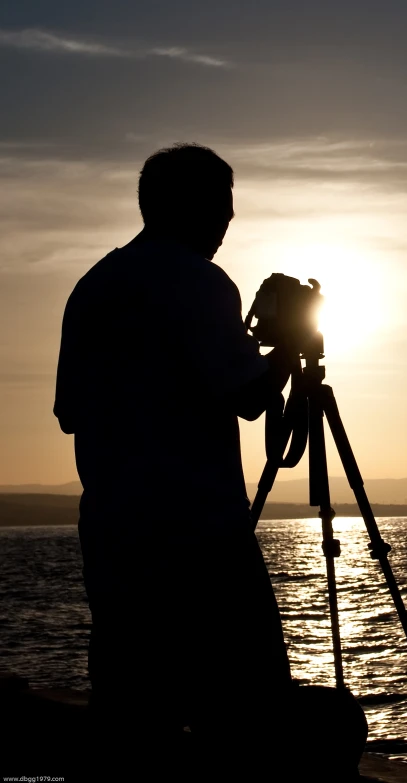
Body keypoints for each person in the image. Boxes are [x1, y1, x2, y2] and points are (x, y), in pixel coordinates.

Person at [53, 143, 301, 776]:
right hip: (199, 534)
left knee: (132, 706)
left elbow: (68, 412)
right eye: (222, 208)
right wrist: (287, 354)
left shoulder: (95, 283)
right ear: (195, 207)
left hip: (113, 528)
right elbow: (247, 396)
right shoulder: (199, 280)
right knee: (248, 704)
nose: (227, 224)